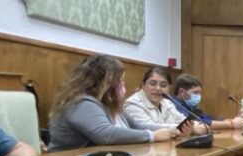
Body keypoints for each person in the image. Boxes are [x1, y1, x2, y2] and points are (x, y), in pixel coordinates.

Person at [48, 55, 177, 151]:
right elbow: (105, 134)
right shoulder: (82, 103)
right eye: (120, 81)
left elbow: (138, 126)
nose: (123, 86)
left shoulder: (110, 106)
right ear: (105, 83)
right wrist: (151, 136)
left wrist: (174, 130)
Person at [123, 67, 204, 135]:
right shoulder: (132, 104)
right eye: (152, 83)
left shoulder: (167, 102)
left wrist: (197, 125)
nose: (158, 88)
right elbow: (147, 128)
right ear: (143, 85)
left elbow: (182, 119)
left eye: (163, 85)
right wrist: (189, 129)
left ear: (169, 88)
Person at [169, 74, 243, 131]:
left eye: (200, 93)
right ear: (182, 92)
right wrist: (231, 124)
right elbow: (198, 124)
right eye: (195, 92)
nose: (199, 96)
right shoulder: (173, 105)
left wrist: (236, 120)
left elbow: (209, 119)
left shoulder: (190, 106)